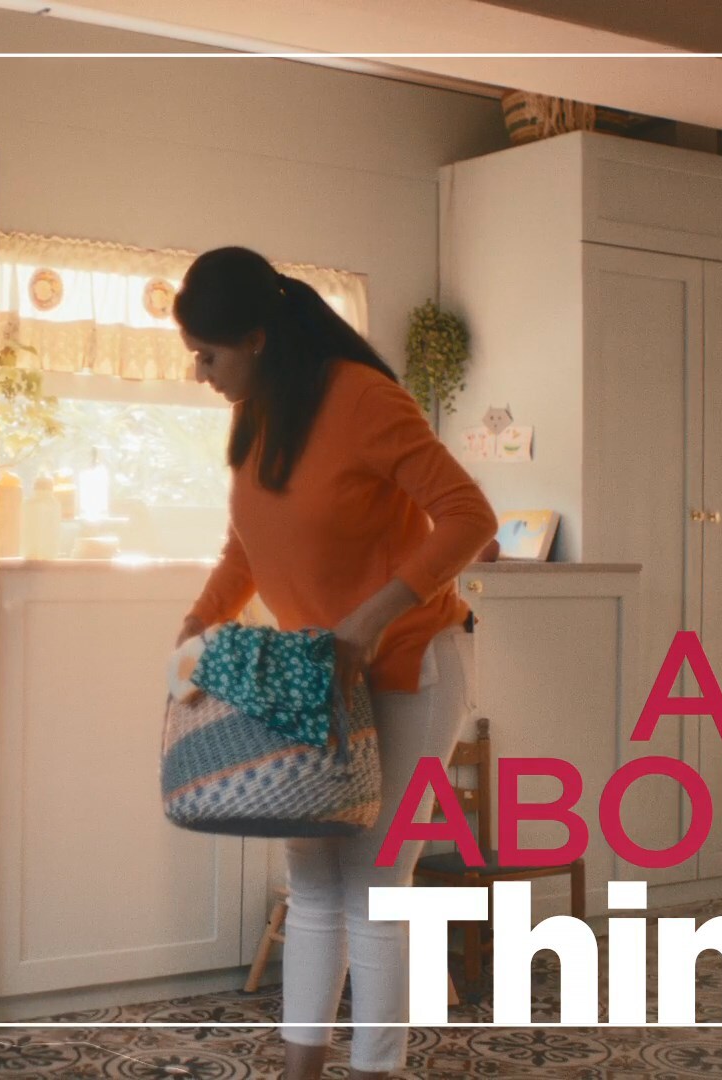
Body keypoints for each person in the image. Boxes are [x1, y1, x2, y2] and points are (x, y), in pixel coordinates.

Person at [172, 247, 497, 1080]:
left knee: (376, 885)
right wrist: (195, 627)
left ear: (257, 336)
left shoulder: (364, 401)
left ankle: (373, 1071)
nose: (199, 371)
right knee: (312, 884)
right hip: (314, 683)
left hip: (410, 664)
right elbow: (246, 544)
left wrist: (370, 620)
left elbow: (469, 516)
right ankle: (301, 1071)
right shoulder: (258, 413)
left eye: (209, 353)